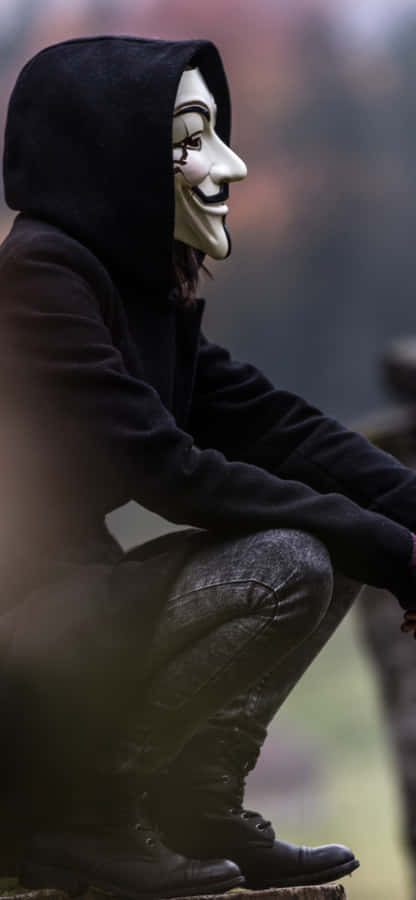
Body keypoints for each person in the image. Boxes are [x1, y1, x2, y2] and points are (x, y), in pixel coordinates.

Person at [1, 33, 416, 899]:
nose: (230, 164)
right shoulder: (37, 280)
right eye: (189, 141)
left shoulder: (129, 290)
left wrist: (406, 520)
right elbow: (168, 471)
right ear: (111, 155)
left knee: (335, 526)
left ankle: (196, 805)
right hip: (26, 648)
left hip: (66, 623)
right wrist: (397, 552)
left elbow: (280, 428)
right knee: (293, 557)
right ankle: (76, 818)